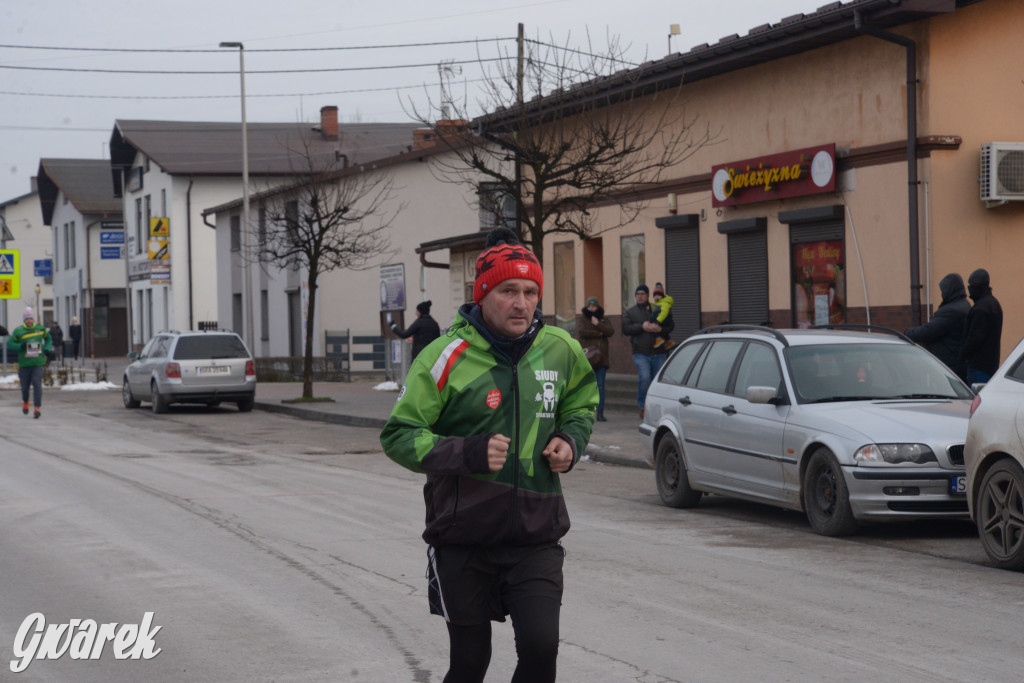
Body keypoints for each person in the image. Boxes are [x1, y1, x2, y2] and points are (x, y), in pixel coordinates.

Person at [380, 226, 597, 682]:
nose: (521, 303)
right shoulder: (445, 357)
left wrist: (571, 439)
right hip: (463, 538)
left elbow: (581, 400)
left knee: (541, 651)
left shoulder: (560, 350)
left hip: (536, 534)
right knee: (470, 662)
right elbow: (399, 435)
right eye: (508, 291)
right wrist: (466, 452)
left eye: (531, 291)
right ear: (482, 295)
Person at [904, 273, 970, 382]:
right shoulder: (963, 305)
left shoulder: (951, 311)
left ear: (950, 290)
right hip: (955, 362)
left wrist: (907, 333)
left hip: (948, 365)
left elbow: (928, 331)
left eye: (944, 290)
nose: (942, 294)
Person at [623, 284, 673, 416]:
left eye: (642, 294)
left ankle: (657, 408)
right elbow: (626, 329)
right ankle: (643, 406)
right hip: (640, 352)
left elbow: (671, 324)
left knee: (658, 381)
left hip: (659, 352)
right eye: (637, 294)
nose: (640, 296)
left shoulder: (656, 307)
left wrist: (661, 330)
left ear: (647, 295)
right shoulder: (630, 312)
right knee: (645, 378)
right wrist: (641, 326)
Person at [6, 307, 52, 419]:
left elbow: (48, 339)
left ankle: (37, 408)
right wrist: (20, 346)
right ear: (24, 320)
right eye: (27, 319)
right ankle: (25, 401)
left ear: (33, 319)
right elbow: (9, 344)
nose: (29, 321)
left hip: (38, 362)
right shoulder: (18, 331)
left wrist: (47, 349)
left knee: (37, 384)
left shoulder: (40, 329)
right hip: (24, 364)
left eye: (31, 319)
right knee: (25, 388)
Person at [961, 268, 1003, 385]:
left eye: (971, 285)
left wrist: (963, 354)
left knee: (976, 397)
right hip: (990, 365)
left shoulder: (981, 308)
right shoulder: (994, 303)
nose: (969, 289)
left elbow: (975, 338)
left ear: (977, 286)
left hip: (978, 366)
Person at [576, 296, 614, 421]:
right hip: (587, 358)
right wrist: (598, 333)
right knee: (586, 386)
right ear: (587, 307)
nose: (592, 308)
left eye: (594, 306)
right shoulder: (582, 318)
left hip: (601, 358)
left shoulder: (603, 318)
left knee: (600, 386)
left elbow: (610, 331)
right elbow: (582, 332)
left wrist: (598, 324)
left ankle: (600, 412)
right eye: (590, 306)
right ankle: (585, 411)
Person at [650, 282, 676, 351]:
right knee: (662, 330)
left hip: (665, 320)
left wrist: (658, 320)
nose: (656, 297)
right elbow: (653, 308)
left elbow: (664, 312)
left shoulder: (665, 303)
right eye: (655, 295)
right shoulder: (657, 303)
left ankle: (658, 338)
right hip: (664, 320)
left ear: (662, 295)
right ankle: (668, 341)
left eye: (658, 295)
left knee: (653, 326)